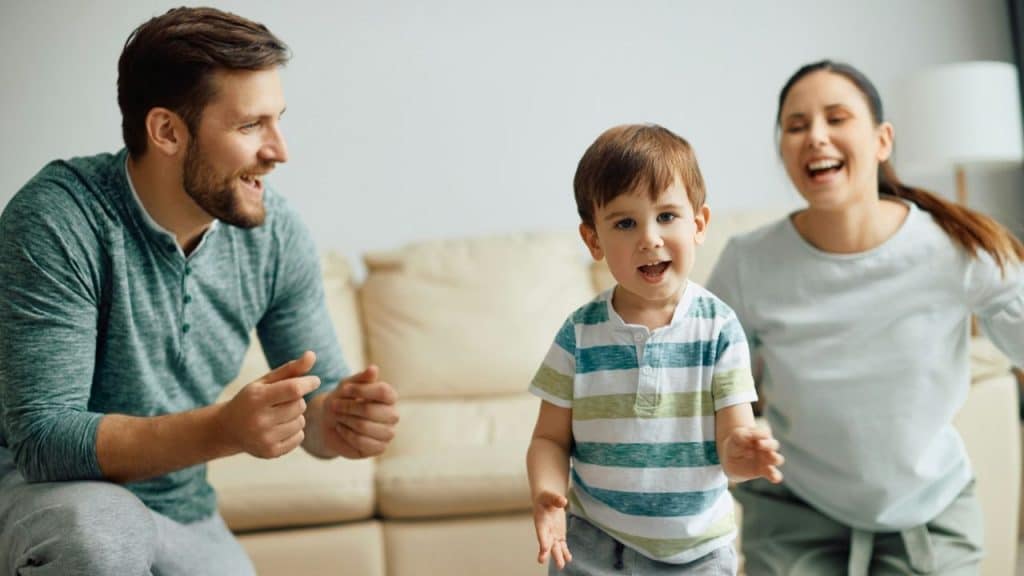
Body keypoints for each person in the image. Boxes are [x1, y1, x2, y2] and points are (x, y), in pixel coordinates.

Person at [0, 7, 399, 575]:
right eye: (250, 125)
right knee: (100, 536)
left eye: (278, 120)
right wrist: (222, 429)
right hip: (51, 496)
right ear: (166, 130)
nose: (280, 150)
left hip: (185, 512)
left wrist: (338, 418)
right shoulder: (58, 219)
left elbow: (315, 402)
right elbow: (43, 440)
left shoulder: (274, 232)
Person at [706, 60, 1024, 575]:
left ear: (882, 140)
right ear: (783, 151)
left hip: (931, 512)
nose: (816, 137)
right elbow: (704, 381)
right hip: (795, 514)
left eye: (836, 118)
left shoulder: (956, 246)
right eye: (796, 126)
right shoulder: (748, 262)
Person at [526, 124, 785, 575]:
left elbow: (732, 440)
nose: (650, 237)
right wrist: (547, 495)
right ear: (594, 241)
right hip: (592, 544)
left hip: (695, 552)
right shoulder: (579, 333)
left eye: (666, 216)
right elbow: (549, 438)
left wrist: (742, 453)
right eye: (625, 223)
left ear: (699, 224)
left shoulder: (719, 329)